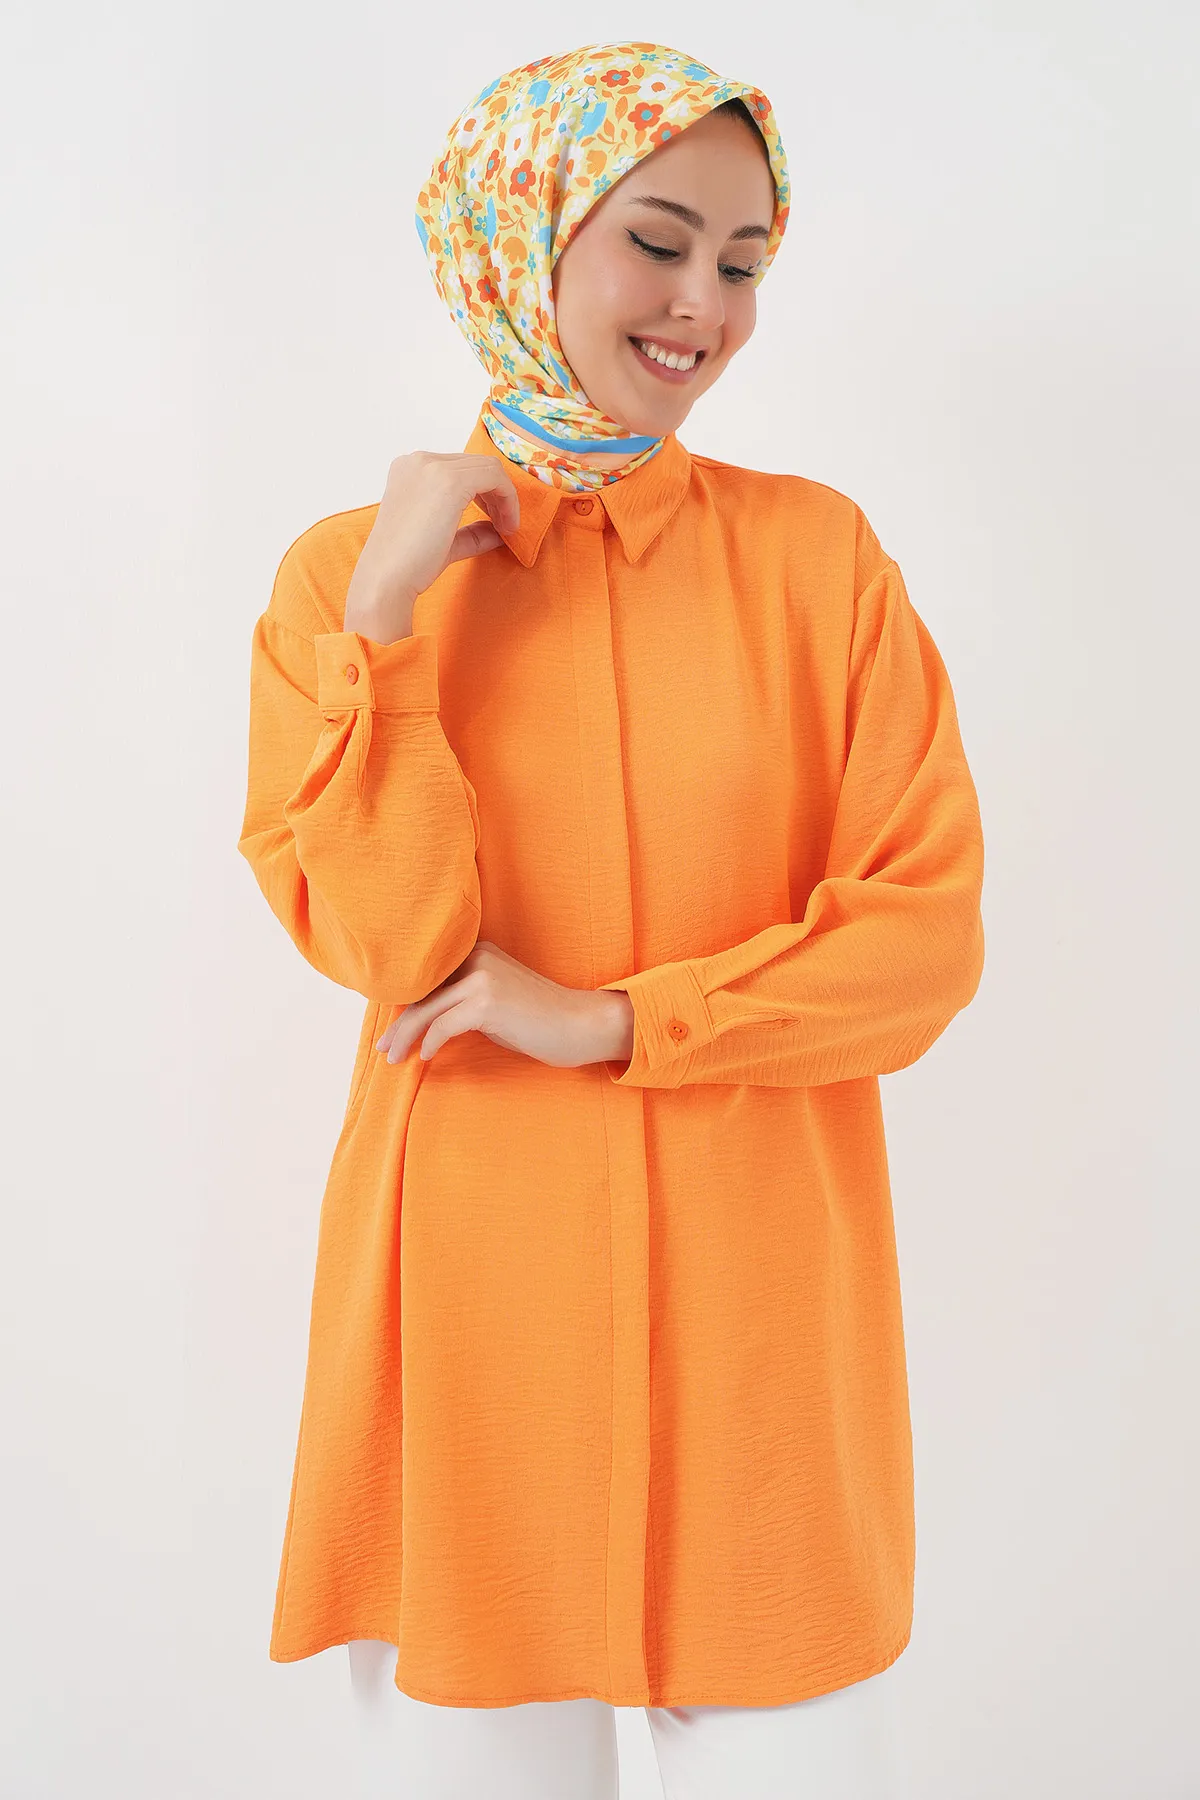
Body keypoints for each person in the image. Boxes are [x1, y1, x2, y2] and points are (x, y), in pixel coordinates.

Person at [236, 39, 986, 1799]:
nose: (703, 306)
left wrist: (622, 1019)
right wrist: (391, 621)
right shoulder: (343, 582)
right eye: (658, 241)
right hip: (472, 1337)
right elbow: (391, 948)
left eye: (744, 261)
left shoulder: (822, 564)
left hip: (763, 1349)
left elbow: (922, 937)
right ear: (523, 238)